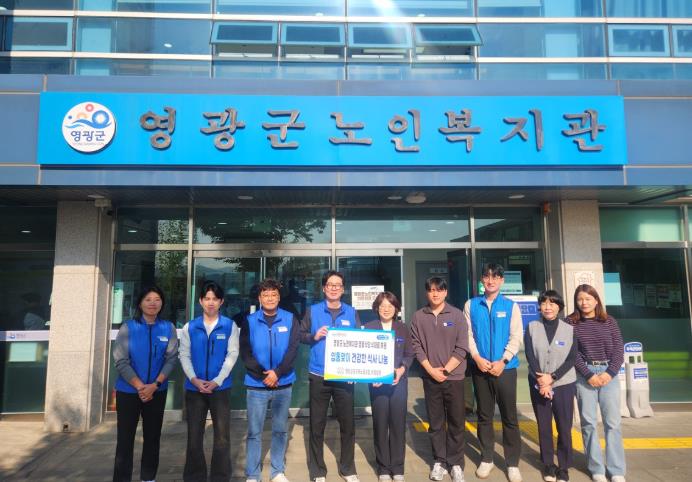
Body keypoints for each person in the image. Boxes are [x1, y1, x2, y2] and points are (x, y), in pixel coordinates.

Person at [112, 286, 179, 482]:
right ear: (140, 303)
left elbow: (171, 359)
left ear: (162, 303)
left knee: (152, 438)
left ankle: (148, 478)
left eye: (157, 299)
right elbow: (120, 361)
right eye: (148, 299)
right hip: (128, 392)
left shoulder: (168, 328)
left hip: (157, 391)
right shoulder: (128, 327)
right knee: (125, 439)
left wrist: (155, 385)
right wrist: (140, 386)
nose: (152, 303)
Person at [300, 270, 361, 482]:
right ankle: (318, 471)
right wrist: (314, 336)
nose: (334, 288)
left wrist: (355, 370)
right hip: (319, 375)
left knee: (348, 425)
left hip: (344, 377)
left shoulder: (351, 312)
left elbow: (359, 342)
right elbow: (300, 335)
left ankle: (348, 469)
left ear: (343, 289)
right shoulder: (313, 310)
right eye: (330, 284)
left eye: (338, 285)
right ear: (324, 288)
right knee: (317, 425)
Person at [465, 263, 523, 482]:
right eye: (487, 276)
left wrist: (503, 360)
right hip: (481, 368)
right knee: (484, 416)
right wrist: (477, 358)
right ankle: (487, 458)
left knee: (510, 417)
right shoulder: (471, 305)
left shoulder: (511, 306)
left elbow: (516, 336)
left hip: (505, 369)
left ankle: (512, 463)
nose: (490, 280)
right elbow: (468, 335)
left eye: (495, 277)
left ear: (502, 281)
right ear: (482, 280)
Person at [239, 279, 301, 482]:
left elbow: (293, 349)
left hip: (283, 383)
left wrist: (278, 373)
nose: (270, 298)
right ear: (259, 298)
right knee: (254, 432)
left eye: (273, 294)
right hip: (256, 385)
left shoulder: (290, 319)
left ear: (279, 297)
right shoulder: (249, 321)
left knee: (280, 430)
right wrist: (263, 375)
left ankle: (277, 471)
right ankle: (252, 474)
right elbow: (245, 352)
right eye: (265, 295)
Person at [179, 281, 239, 482]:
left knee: (222, 437)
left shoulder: (229, 326)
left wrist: (217, 381)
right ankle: (194, 477)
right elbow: (184, 355)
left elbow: (232, 354)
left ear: (221, 302)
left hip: (220, 389)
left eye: (215, 299)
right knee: (194, 436)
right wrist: (194, 379)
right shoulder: (190, 327)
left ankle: (220, 477)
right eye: (207, 298)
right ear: (200, 301)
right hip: (194, 388)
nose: (210, 302)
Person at [410, 276, 469, 482]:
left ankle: (456, 463)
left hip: (454, 377)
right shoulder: (418, 316)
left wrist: (445, 371)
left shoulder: (457, 315)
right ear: (427, 293)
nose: (435, 293)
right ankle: (440, 461)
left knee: (456, 421)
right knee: (435, 422)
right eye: (431, 290)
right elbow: (416, 346)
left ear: (445, 292)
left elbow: (462, 346)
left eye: (439, 290)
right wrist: (430, 370)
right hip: (430, 377)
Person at [567, 284, 626, 482]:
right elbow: (572, 352)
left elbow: (619, 349)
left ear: (596, 300)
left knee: (613, 423)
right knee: (588, 423)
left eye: (588, 299)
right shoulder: (571, 322)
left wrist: (610, 373)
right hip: (584, 376)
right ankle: (596, 468)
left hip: (609, 374)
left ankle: (616, 470)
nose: (584, 303)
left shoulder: (609, 321)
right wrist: (588, 374)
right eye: (580, 299)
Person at [524, 290, 576, 482]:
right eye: (544, 303)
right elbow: (530, 355)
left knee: (564, 425)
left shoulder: (569, 329)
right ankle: (548, 464)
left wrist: (552, 378)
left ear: (559, 307)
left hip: (563, 383)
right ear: (539, 306)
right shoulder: (532, 327)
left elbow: (571, 358)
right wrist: (541, 380)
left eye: (552, 303)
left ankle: (564, 466)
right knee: (544, 425)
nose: (548, 307)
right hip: (538, 382)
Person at [364, 292, 414, 482]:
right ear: (377, 308)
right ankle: (383, 468)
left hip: (398, 383)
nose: (386, 309)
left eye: (390, 306)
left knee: (398, 425)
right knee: (380, 424)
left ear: (396, 309)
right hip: (377, 385)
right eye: (382, 306)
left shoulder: (402, 328)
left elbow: (409, 354)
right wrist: (371, 375)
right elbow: (364, 356)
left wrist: (402, 369)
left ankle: (398, 467)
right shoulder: (369, 328)